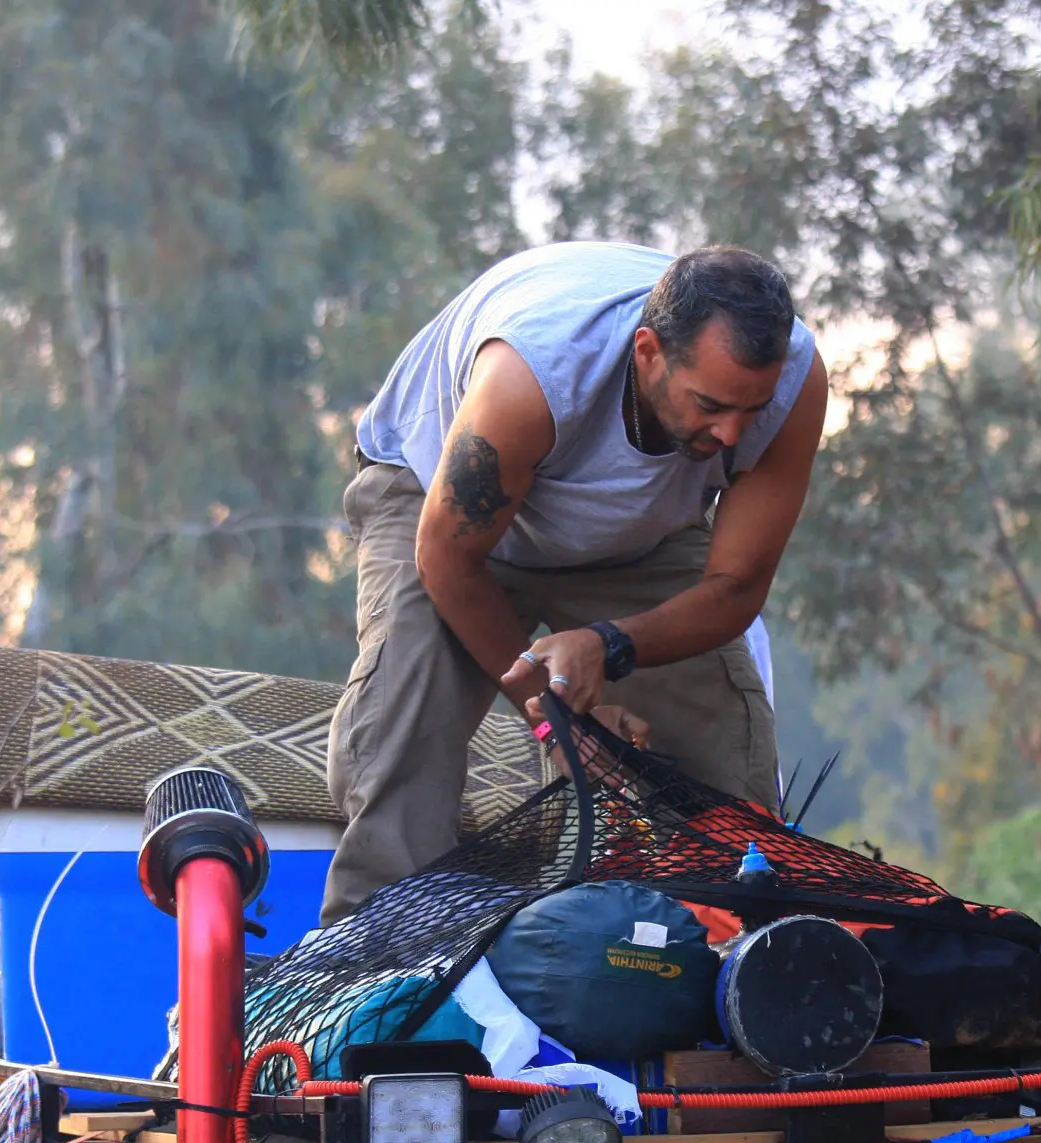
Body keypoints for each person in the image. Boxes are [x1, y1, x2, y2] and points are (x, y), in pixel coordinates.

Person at [323, 242, 828, 924]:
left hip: (641, 533)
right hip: (441, 512)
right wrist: (561, 718)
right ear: (647, 352)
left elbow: (736, 589)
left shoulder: (794, 384)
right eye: (710, 404)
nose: (733, 431)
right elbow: (445, 556)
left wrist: (609, 644)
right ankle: (379, 971)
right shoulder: (534, 373)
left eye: (751, 408)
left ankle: (729, 973)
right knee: (402, 738)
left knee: (725, 774)